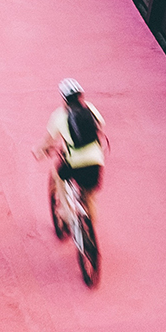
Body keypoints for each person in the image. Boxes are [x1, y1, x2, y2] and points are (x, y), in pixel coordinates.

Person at [35, 79, 107, 239]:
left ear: (64, 98)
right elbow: (100, 125)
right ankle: (89, 236)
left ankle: (68, 216)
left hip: (74, 162)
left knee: (58, 176)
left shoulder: (60, 115)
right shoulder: (90, 108)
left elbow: (48, 140)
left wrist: (39, 151)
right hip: (96, 159)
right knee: (89, 195)